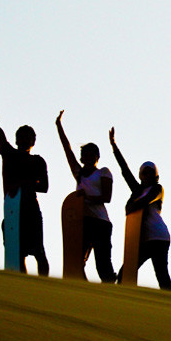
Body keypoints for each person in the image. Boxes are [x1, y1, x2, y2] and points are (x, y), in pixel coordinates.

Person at [0, 82, 50, 275]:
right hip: (12, 211)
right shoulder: (9, 154)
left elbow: (44, 187)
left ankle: (44, 285)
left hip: (31, 211)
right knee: (16, 254)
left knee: (39, 252)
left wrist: (24, 183)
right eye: (22, 136)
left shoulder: (38, 161)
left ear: (33, 141)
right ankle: (23, 284)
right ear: (16, 139)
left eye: (28, 137)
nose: (25, 140)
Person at [56, 110, 116, 284]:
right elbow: (67, 150)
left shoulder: (103, 172)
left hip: (101, 223)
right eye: (85, 155)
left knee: (103, 265)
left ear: (97, 157)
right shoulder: (79, 174)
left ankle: (112, 289)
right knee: (76, 262)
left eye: (92, 155)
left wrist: (86, 197)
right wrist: (59, 126)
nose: (88, 158)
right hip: (83, 223)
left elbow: (106, 197)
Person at [109, 127, 171, 290]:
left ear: (155, 176)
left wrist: (131, 206)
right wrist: (114, 146)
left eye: (150, 173)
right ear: (140, 175)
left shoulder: (158, 189)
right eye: (144, 173)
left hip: (159, 237)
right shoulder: (137, 190)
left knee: (161, 273)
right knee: (125, 272)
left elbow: (146, 201)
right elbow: (125, 171)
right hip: (143, 239)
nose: (147, 175)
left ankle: (170, 301)